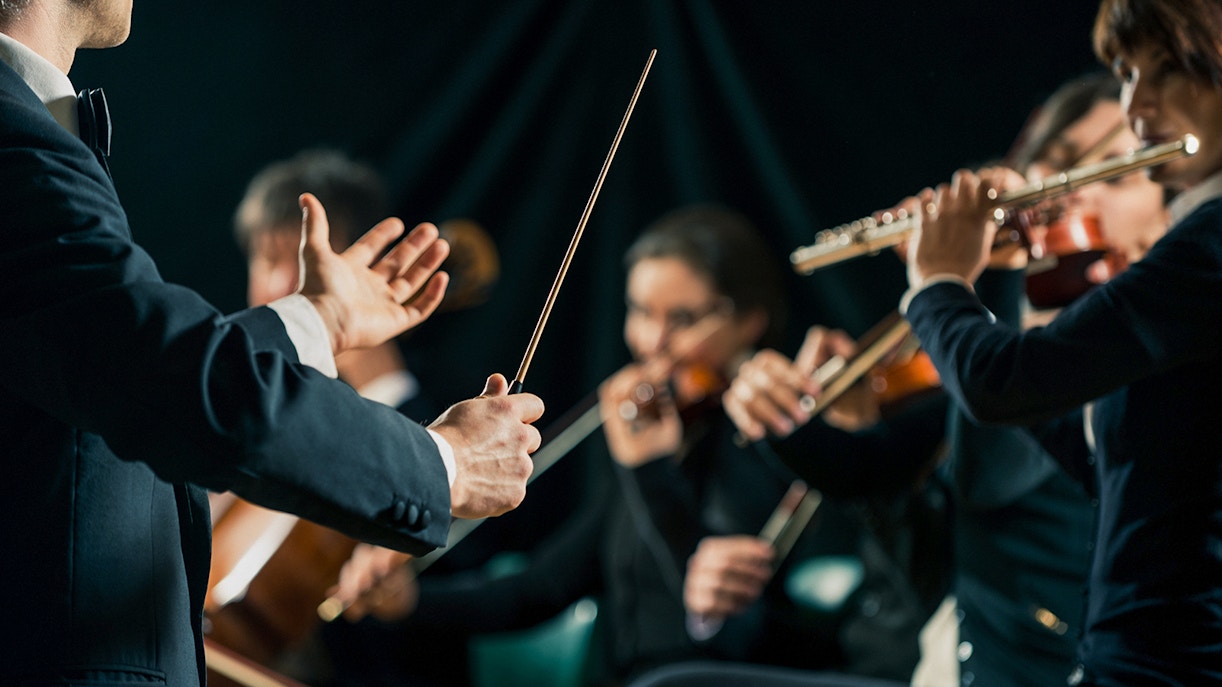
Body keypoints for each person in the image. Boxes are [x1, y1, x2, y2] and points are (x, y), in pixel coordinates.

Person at [0, 3, 544, 685]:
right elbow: (173, 378)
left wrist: (319, 320)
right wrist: (442, 464)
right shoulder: (12, 136)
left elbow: (116, 366)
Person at [324, 206, 934, 686]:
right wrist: (411, 602)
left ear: (748, 320)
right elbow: (543, 587)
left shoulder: (780, 445)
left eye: (683, 319)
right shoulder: (662, 433)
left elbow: (737, 636)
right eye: (641, 312)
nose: (653, 343)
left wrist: (648, 474)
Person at [713, 69, 1171, 687]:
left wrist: (966, 280)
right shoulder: (998, 330)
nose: (1072, 194)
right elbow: (865, 468)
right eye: (1057, 166)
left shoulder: (1143, 350)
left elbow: (995, 473)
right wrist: (770, 410)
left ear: (1165, 216)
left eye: (1114, 176)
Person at [901, 0, 1222, 683]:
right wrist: (1035, 280)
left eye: (1166, 70)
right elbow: (1104, 465)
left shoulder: (1209, 248)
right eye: (1127, 73)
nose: (1137, 104)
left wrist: (938, 281)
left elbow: (998, 384)